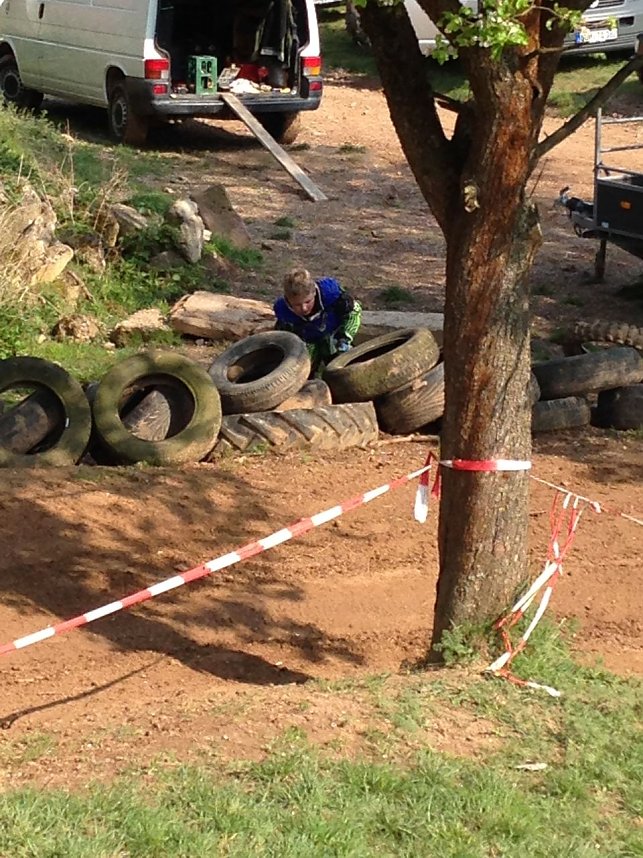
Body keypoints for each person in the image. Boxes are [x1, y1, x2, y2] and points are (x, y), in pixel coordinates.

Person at [273, 268, 362, 374]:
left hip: (334, 331)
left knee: (339, 358)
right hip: (308, 339)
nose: (304, 308)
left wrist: (345, 337)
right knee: (302, 369)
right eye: (297, 305)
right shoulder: (283, 311)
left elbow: (354, 311)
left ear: (314, 292)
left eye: (308, 301)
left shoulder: (330, 292)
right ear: (287, 300)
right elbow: (286, 337)